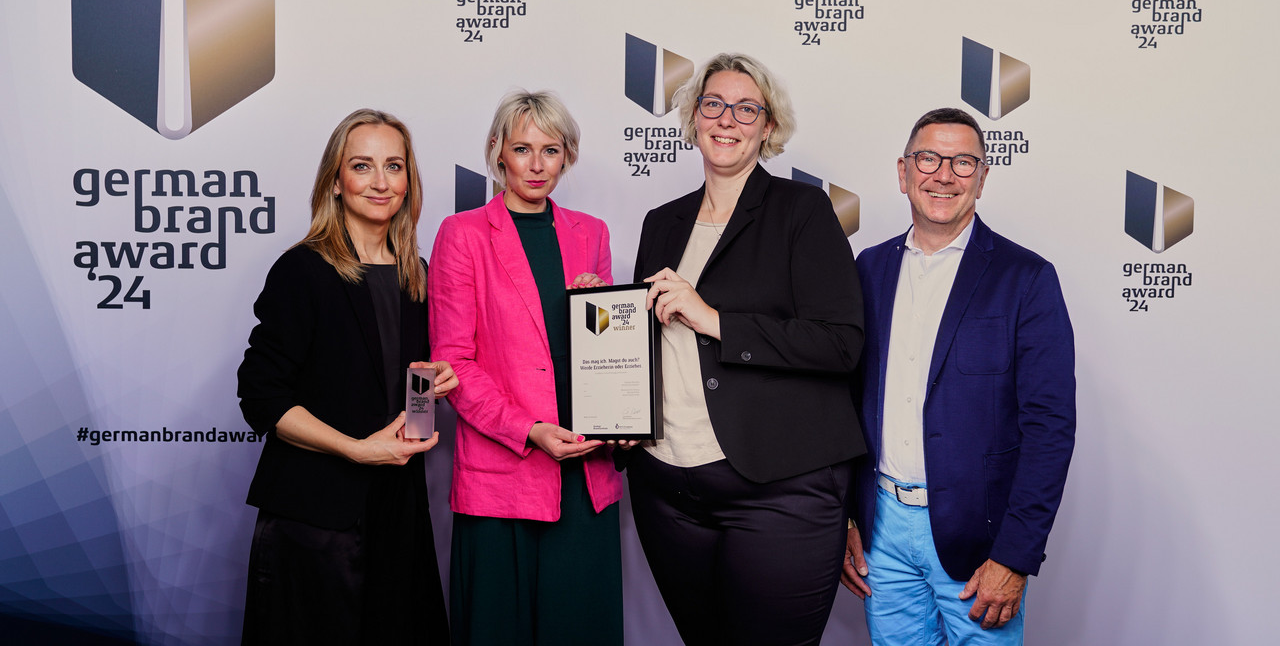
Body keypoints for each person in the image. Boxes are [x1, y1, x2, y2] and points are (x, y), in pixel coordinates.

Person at [629, 53, 866, 645]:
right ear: (693, 119)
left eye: (746, 108)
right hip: (667, 487)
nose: (727, 119)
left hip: (778, 489)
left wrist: (716, 320)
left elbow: (841, 344)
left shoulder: (803, 212)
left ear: (767, 126)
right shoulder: (662, 221)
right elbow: (649, 346)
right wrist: (603, 314)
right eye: (713, 104)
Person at [841, 107, 1076, 645]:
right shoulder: (867, 270)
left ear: (983, 176)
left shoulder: (1027, 278)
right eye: (928, 158)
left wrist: (1014, 557)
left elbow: (1050, 429)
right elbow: (847, 402)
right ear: (903, 172)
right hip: (882, 532)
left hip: (979, 542)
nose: (943, 175)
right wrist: (849, 520)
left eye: (963, 162)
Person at [237, 109, 454, 644]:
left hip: (397, 512)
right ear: (335, 181)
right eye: (363, 166)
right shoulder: (303, 269)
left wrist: (436, 382)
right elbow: (260, 396)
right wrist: (355, 449)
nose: (381, 183)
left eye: (394, 166)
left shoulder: (416, 273)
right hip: (315, 517)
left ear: (410, 181)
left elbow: (393, 382)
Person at [427, 90, 624, 645]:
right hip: (503, 478)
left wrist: (603, 308)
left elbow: (607, 352)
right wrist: (529, 431)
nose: (537, 165)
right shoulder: (462, 235)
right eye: (522, 149)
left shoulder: (593, 233)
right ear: (497, 153)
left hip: (586, 471)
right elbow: (453, 362)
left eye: (551, 150)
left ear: (568, 156)